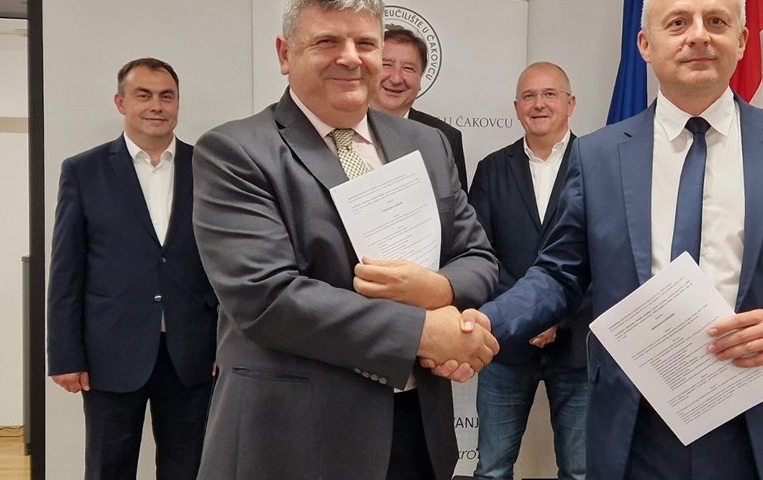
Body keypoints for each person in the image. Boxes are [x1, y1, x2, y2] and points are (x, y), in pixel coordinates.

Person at [467, 0, 763, 478]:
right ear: (645, 44)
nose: (698, 35)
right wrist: (485, 322)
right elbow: (559, 275)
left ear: (742, 40)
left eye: (716, 21)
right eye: (677, 23)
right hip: (636, 428)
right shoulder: (597, 157)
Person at [189, 1, 500, 479]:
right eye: (327, 41)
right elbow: (267, 297)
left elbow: (476, 255)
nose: (350, 57)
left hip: (416, 432)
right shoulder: (235, 152)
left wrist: (438, 290)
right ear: (285, 54)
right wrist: (423, 332)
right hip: (294, 440)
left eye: (365, 43)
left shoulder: (426, 143)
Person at [47, 57, 218, 480]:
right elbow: (66, 270)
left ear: (177, 104)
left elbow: (225, 263)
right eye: (144, 95)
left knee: (189, 467)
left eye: (166, 96)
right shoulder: (83, 171)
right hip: (110, 351)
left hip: (193, 352)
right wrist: (64, 355)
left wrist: (226, 343)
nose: (156, 106)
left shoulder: (210, 168)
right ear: (121, 102)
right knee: (108, 467)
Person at [468, 62, 589, 480]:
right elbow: (479, 253)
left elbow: (606, 256)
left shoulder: (598, 163)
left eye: (550, 94)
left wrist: (556, 315)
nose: (539, 104)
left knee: (580, 471)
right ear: (517, 107)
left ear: (570, 103)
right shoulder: (491, 168)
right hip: (506, 346)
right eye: (529, 96)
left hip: (576, 345)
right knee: (492, 467)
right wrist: (526, 314)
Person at [370, 27, 469, 192]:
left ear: (420, 80)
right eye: (386, 65)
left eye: (408, 69)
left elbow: (456, 205)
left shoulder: (444, 137)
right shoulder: (340, 129)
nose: (396, 78)